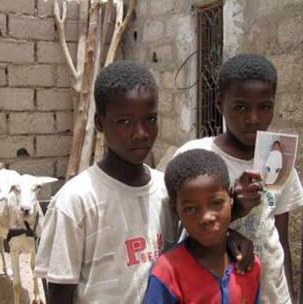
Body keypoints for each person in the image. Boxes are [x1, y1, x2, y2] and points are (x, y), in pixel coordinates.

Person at [34, 61, 254, 304]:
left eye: (150, 119)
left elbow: (195, 239)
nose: (140, 132)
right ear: (99, 123)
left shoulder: (166, 190)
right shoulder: (76, 201)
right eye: (125, 122)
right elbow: (59, 294)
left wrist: (229, 234)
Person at [175, 54, 303, 304]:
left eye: (265, 106)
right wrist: (230, 219)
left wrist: (288, 297)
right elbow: (179, 234)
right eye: (240, 107)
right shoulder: (195, 157)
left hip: (270, 293)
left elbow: (279, 239)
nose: (254, 118)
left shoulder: (279, 161)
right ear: (219, 104)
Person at [144, 149, 261, 304]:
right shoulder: (169, 272)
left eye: (216, 203)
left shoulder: (249, 266)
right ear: (175, 211)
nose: (206, 218)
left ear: (231, 197)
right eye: (191, 209)